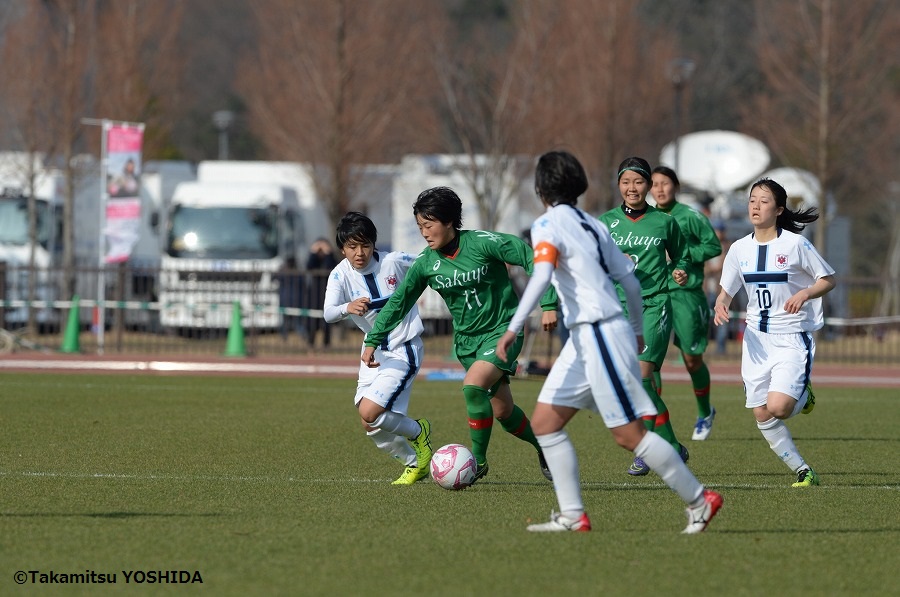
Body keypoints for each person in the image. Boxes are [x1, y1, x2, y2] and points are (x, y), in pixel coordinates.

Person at [497, 150, 722, 533]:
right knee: (546, 423)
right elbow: (630, 282)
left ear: (540, 189)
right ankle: (572, 515)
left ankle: (701, 500)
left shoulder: (547, 224)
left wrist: (514, 327)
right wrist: (635, 328)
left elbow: (541, 275)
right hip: (596, 334)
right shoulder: (594, 224)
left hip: (598, 330)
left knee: (627, 434)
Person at [362, 186, 558, 483]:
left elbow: (528, 255)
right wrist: (373, 338)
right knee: (503, 412)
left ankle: (477, 463)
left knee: (472, 387)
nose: (424, 233)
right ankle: (544, 445)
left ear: (449, 221)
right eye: (419, 227)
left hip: (503, 331)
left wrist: (548, 301)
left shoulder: (482, 243)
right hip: (467, 343)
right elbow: (399, 302)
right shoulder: (426, 263)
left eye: (428, 225)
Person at [714, 178, 835, 488]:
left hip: (791, 337)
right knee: (761, 413)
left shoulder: (796, 244)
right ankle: (804, 471)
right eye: (752, 200)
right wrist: (721, 305)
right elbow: (726, 290)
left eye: (763, 201)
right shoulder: (739, 248)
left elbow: (827, 279)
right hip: (755, 340)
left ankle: (803, 393)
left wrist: (805, 293)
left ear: (779, 209)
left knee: (778, 407)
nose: (755, 205)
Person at [323, 212, 433, 485]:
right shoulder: (339, 275)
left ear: (374, 244)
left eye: (365, 245)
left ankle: (419, 432)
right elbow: (327, 313)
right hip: (372, 351)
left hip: (403, 347)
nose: (359, 253)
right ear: (342, 248)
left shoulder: (393, 261)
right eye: (352, 246)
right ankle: (414, 464)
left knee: (370, 411)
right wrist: (346, 308)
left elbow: (429, 263)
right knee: (369, 422)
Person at [598, 157, 690, 475]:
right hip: (616, 309)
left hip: (653, 305)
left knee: (641, 377)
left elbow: (682, 255)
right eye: (626, 182)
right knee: (630, 384)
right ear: (619, 185)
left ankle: (655, 449)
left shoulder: (664, 222)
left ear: (648, 186)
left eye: (638, 182)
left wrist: (680, 269)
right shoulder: (605, 222)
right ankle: (668, 447)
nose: (632, 188)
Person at [650, 166, 722, 440]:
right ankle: (654, 422)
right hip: (653, 296)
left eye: (665, 183)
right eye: (654, 184)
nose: (659, 188)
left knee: (692, 360)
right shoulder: (646, 219)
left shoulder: (690, 216)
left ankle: (705, 412)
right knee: (649, 362)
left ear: (675, 187)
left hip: (686, 295)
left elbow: (713, 246)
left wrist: (681, 253)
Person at [705, 221, 731, 355]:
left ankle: (720, 348)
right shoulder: (706, 245)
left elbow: (727, 267)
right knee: (704, 318)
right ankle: (702, 346)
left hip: (721, 290)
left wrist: (715, 269)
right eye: (716, 230)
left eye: (720, 230)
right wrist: (711, 269)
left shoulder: (727, 247)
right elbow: (704, 267)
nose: (718, 233)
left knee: (722, 318)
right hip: (706, 289)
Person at [306, 238, 338, 348]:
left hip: (328, 293)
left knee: (327, 321)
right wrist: (313, 253)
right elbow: (309, 266)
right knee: (312, 320)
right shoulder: (315, 260)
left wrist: (328, 253)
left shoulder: (331, 258)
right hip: (314, 293)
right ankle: (311, 342)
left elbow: (332, 267)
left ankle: (326, 344)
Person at [275, 256, 304, 340]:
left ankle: (284, 337)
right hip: (296, 300)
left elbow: (274, 277)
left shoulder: (284, 273)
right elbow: (304, 285)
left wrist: (280, 270)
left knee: (285, 321)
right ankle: (303, 336)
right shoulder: (298, 273)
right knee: (298, 321)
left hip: (285, 300)